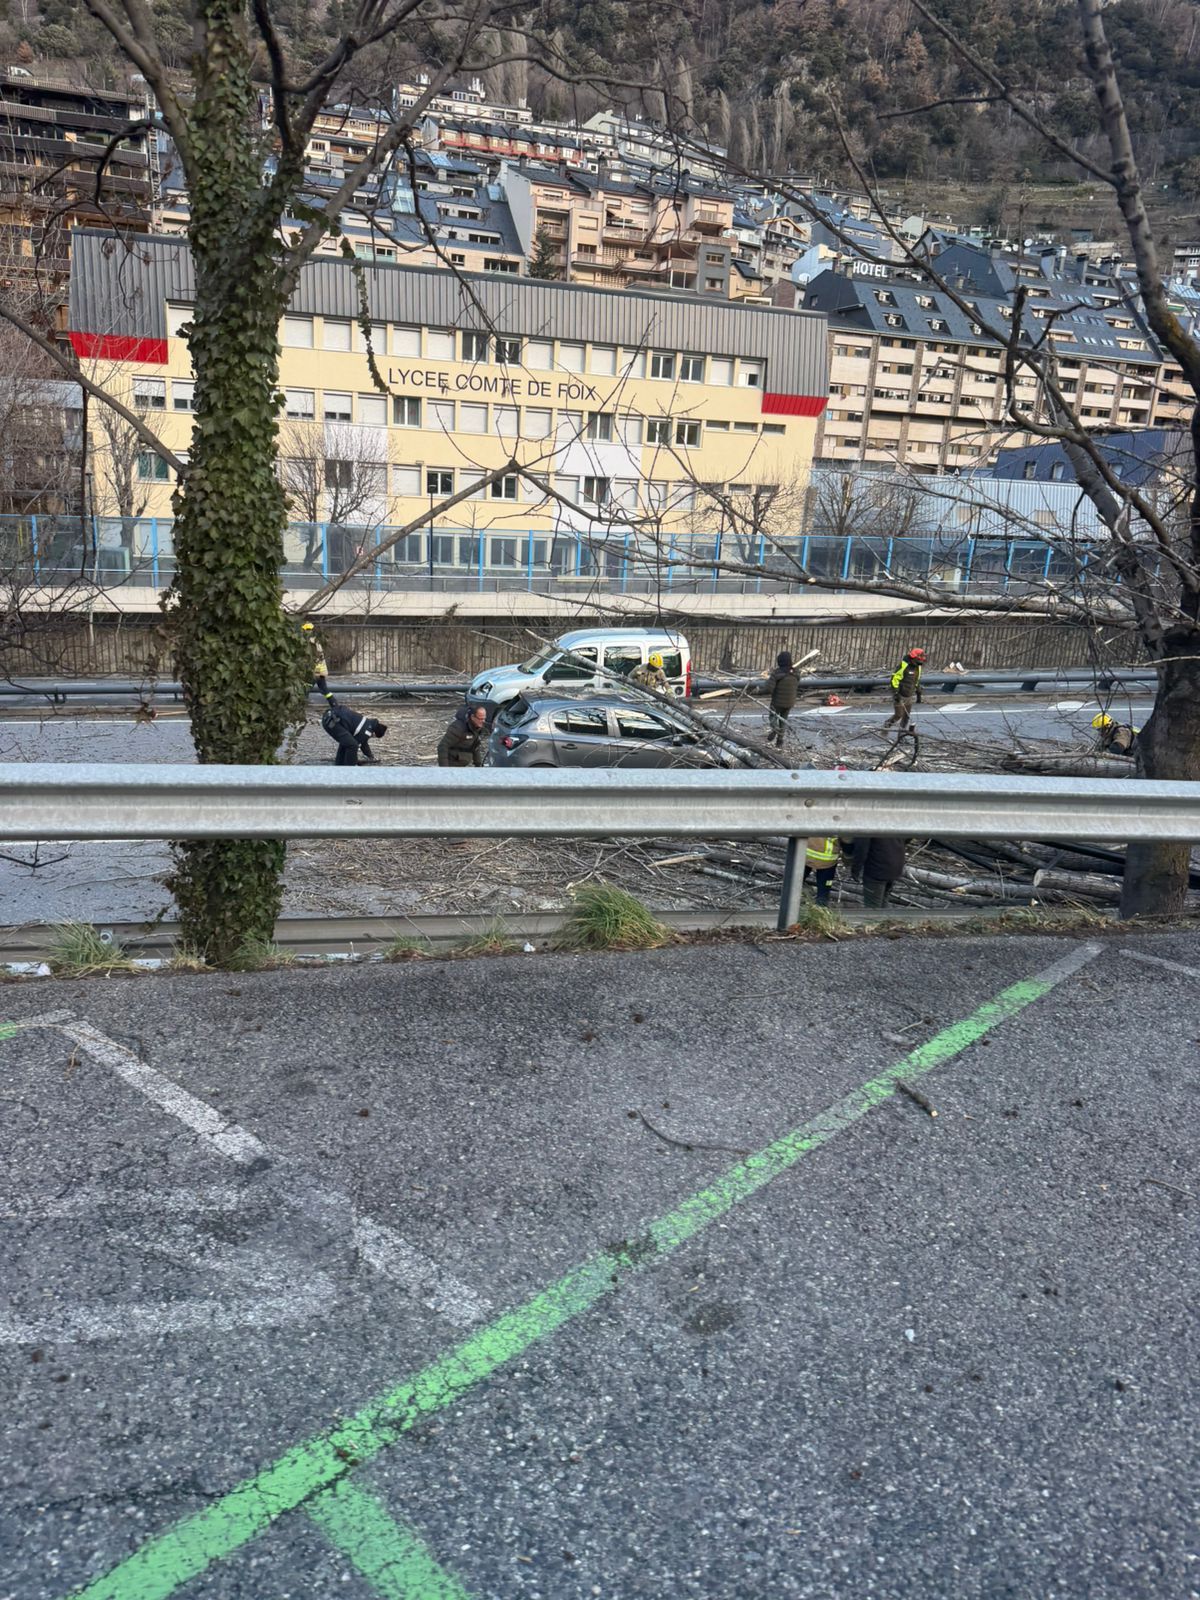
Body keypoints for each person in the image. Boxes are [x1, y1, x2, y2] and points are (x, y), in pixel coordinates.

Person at [844, 836, 906, 908]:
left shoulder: (866, 830)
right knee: (884, 901)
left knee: (873, 906)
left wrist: (856, 868)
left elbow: (861, 848)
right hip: (894, 866)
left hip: (876, 870)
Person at [321, 700, 388, 766]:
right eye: (373, 736)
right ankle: (351, 768)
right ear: (375, 733)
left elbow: (363, 742)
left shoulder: (367, 723)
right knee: (352, 745)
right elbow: (363, 744)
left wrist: (370, 756)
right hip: (332, 723)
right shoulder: (367, 731)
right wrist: (358, 760)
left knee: (346, 743)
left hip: (328, 716)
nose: (371, 737)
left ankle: (339, 765)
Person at [885, 647, 925, 729]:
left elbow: (916, 679)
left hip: (909, 695)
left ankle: (902, 733)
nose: (922, 660)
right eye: (920, 657)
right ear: (915, 657)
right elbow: (894, 679)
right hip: (900, 694)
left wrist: (918, 690)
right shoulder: (904, 665)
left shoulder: (918, 667)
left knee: (906, 716)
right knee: (899, 715)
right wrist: (896, 693)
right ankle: (886, 725)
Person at [766, 650, 799, 747]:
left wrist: (758, 690)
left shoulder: (776, 674)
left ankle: (775, 729)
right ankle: (780, 740)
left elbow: (769, 688)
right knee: (783, 720)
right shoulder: (796, 673)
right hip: (790, 702)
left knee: (772, 716)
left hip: (777, 702)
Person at [301, 620, 332, 700]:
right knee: (325, 690)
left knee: (306, 688)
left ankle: (303, 703)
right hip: (320, 671)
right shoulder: (316, 641)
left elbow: (313, 658)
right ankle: (334, 704)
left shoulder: (310, 642)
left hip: (315, 671)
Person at [805, 835, 839, 905]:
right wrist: (848, 856)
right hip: (828, 861)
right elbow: (847, 840)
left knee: (793, 883)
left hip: (804, 853)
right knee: (824, 890)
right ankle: (821, 906)